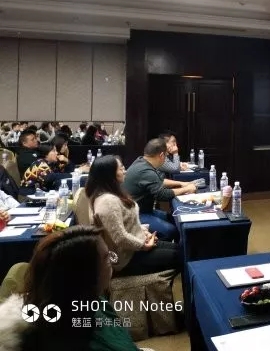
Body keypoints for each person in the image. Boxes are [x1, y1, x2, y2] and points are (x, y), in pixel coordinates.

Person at [0, 225, 155, 351]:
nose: (112, 262)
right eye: (106, 258)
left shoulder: (91, 299)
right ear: (85, 276)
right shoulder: (74, 341)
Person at [86, 155, 181, 277]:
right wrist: (143, 245)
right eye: (121, 169)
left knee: (182, 250)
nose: (124, 171)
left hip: (135, 246)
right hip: (126, 259)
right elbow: (120, 237)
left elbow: (128, 223)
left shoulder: (112, 192)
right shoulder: (108, 202)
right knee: (182, 256)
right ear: (110, 175)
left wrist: (144, 233)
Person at [123, 139, 195, 241]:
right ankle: (165, 248)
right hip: (136, 215)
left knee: (173, 218)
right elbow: (162, 194)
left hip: (142, 210)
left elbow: (159, 181)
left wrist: (182, 184)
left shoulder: (141, 161)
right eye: (166, 156)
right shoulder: (145, 170)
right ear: (161, 155)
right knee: (171, 231)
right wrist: (186, 189)